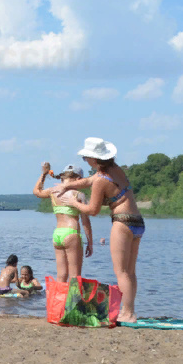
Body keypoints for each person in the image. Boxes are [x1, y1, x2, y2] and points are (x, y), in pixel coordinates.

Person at [50, 137, 142, 323]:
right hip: (138, 222)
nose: (85, 160)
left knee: (122, 272)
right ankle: (129, 311)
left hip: (122, 221)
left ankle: (128, 313)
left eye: (86, 157)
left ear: (94, 158)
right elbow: (88, 181)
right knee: (130, 271)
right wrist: (67, 184)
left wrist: (74, 202)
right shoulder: (116, 170)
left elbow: (93, 210)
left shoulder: (100, 179)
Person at [35, 162, 93, 282]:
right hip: (71, 233)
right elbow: (85, 221)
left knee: (61, 276)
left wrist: (44, 174)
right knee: (75, 277)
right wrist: (90, 242)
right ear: (78, 179)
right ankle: (73, 301)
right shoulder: (78, 195)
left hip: (57, 234)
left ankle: (59, 301)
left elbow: (37, 191)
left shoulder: (53, 191)